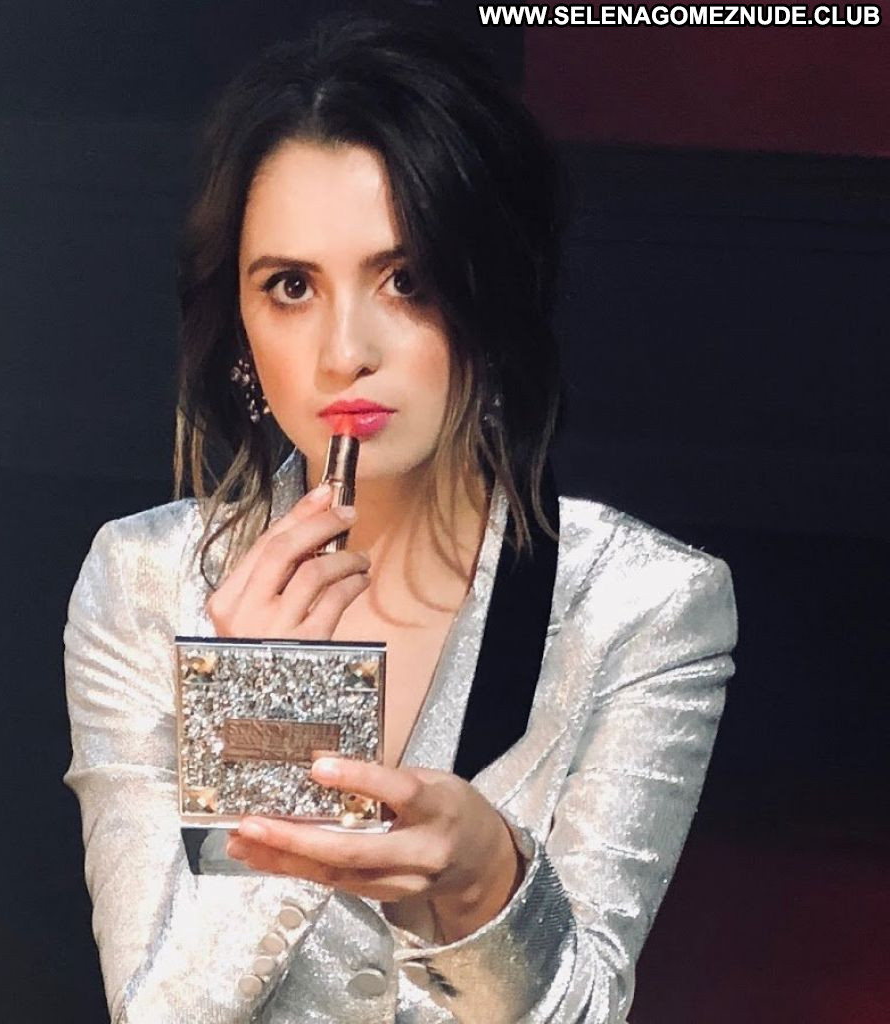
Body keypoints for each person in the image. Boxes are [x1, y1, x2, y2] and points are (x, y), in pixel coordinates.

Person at [62, 13, 738, 1024]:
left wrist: (487, 888)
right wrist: (269, 726)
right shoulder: (144, 580)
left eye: (406, 278)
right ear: (241, 327)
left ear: (490, 297)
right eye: (291, 286)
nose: (346, 350)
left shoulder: (642, 605)